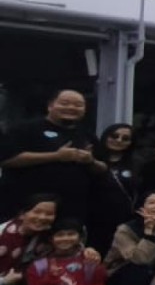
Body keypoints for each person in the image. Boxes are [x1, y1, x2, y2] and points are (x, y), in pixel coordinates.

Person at [0, 88, 102, 219]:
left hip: (71, 211)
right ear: (50, 106)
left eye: (78, 105)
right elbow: (7, 159)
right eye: (65, 103)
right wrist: (56, 156)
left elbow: (103, 168)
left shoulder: (87, 135)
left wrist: (91, 161)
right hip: (26, 208)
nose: (71, 107)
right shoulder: (25, 129)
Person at [23, 217, 106, 285]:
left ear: (80, 238)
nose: (65, 238)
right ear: (51, 239)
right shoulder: (39, 265)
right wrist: (51, 277)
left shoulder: (89, 260)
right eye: (60, 235)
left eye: (71, 234)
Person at [0, 194, 60, 285]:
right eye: (37, 212)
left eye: (49, 214)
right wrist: (4, 281)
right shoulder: (3, 234)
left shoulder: (46, 239)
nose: (42, 217)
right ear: (22, 214)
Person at [90, 122, 140, 251]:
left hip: (124, 220)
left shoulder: (137, 163)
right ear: (106, 136)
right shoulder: (92, 160)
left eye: (125, 138)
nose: (118, 140)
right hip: (93, 219)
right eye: (114, 136)